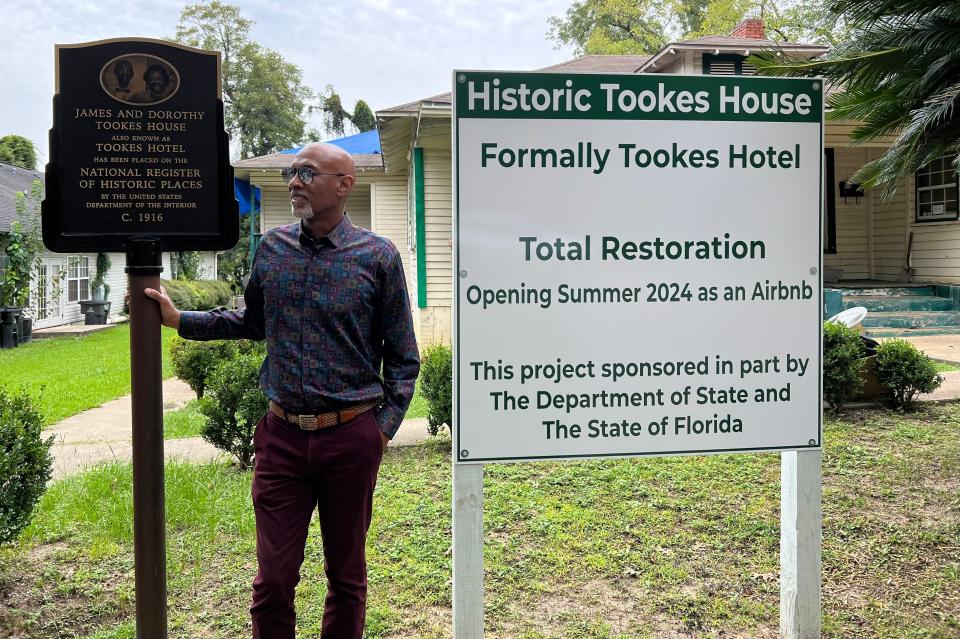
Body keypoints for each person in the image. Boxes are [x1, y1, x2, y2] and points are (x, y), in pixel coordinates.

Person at [145, 142, 420, 638]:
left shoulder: (378, 258)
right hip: (282, 440)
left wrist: (380, 431)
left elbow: (403, 356)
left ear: (344, 184)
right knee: (272, 580)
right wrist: (181, 319)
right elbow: (253, 321)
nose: (294, 181)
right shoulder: (272, 248)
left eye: (307, 173)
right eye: (293, 173)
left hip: (350, 437)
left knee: (346, 576)